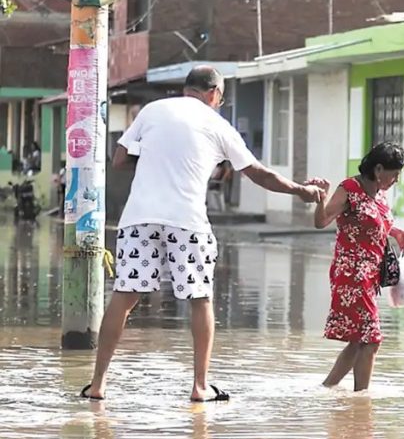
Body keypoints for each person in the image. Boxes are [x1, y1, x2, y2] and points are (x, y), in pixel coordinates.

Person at [80, 65, 326, 402]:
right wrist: (301, 190)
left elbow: (119, 158)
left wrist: (157, 161)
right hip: (187, 222)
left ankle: (98, 385)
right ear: (213, 93)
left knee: (123, 297)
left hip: (139, 219)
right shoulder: (217, 124)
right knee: (200, 299)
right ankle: (199, 386)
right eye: (220, 98)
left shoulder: (153, 110)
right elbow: (258, 173)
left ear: (187, 87)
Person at [314, 142, 404, 392]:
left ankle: (327, 388)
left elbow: (376, 223)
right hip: (351, 274)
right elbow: (322, 220)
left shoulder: (378, 193)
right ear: (378, 169)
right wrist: (321, 198)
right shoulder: (350, 188)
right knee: (371, 340)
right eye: (394, 174)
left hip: (371, 276)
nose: (396, 179)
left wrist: (397, 232)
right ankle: (362, 400)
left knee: (359, 340)